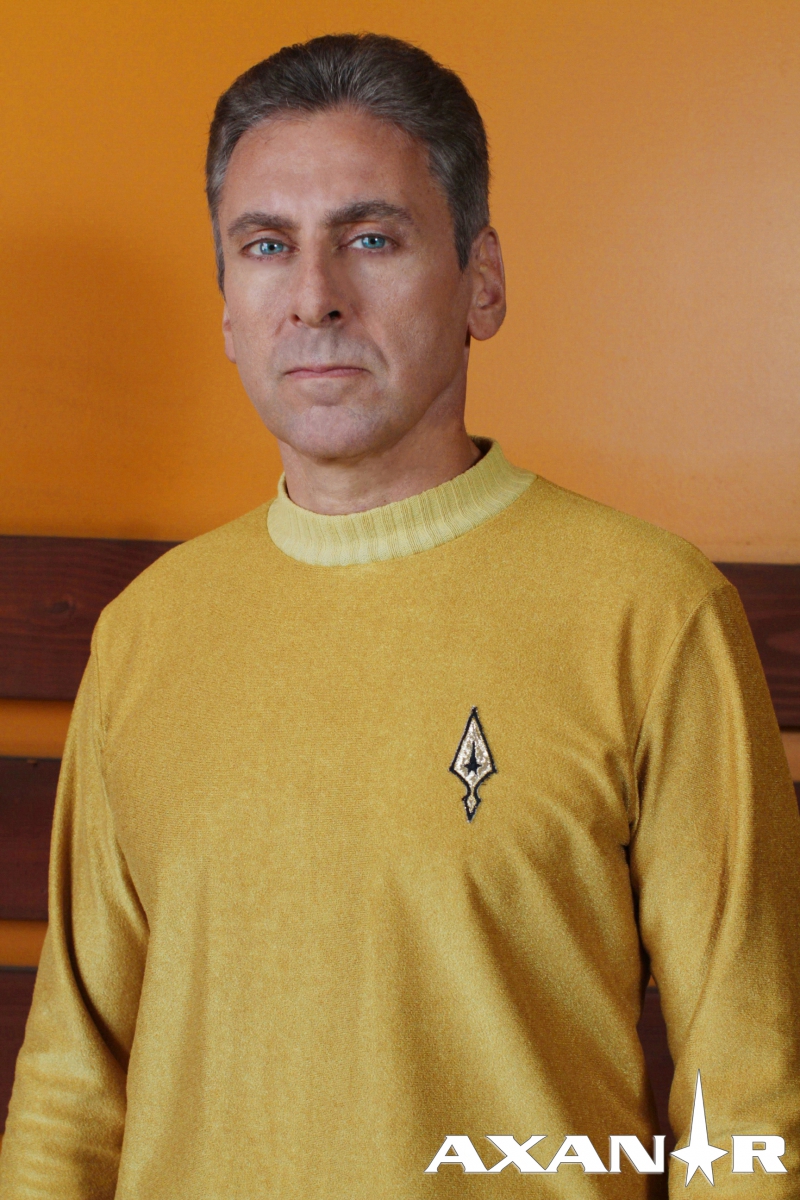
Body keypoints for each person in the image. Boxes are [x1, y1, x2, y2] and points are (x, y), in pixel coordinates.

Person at [0, 33, 798, 1200]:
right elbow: (73, 1088)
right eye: (265, 246)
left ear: (482, 281)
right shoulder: (144, 634)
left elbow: (748, 1084)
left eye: (370, 238)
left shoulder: (652, 613)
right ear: (226, 308)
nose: (313, 296)